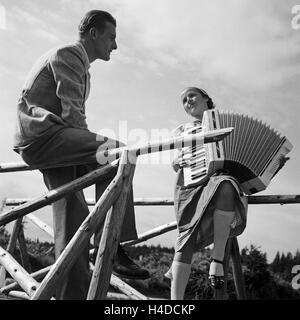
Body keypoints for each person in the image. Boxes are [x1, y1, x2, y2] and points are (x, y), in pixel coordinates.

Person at [13, 10, 149, 300]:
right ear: (93, 33)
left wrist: (85, 151)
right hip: (45, 137)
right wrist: (91, 150)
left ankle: (71, 294)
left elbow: (74, 120)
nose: (115, 45)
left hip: (53, 144)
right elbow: (74, 117)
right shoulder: (68, 55)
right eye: (111, 37)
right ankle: (112, 245)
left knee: (73, 226)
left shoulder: (81, 68)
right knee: (120, 153)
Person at [165, 86, 288, 300]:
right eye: (184, 100)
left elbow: (253, 159)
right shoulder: (182, 130)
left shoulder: (224, 123)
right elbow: (175, 161)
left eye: (191, 95)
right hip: (190, 186)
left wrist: (272, 165)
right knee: (185, 239)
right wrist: (177, 161)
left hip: (218, 184)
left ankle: (218, 259)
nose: (188, 101)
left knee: (227, 184)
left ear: (206, 99)